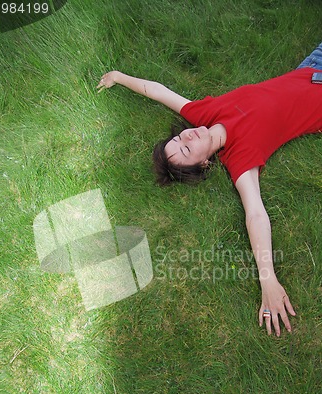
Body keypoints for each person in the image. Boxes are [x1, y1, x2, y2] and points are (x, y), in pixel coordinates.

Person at [96, 42, 322, 337]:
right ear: (203, 164)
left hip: (311, 68)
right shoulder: (240, 156)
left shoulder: (205, 114)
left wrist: (118, 76)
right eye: (188, 147)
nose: (187, 134)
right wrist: (268, 280)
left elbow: (158, 91)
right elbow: (255, 214)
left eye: (179, 138)